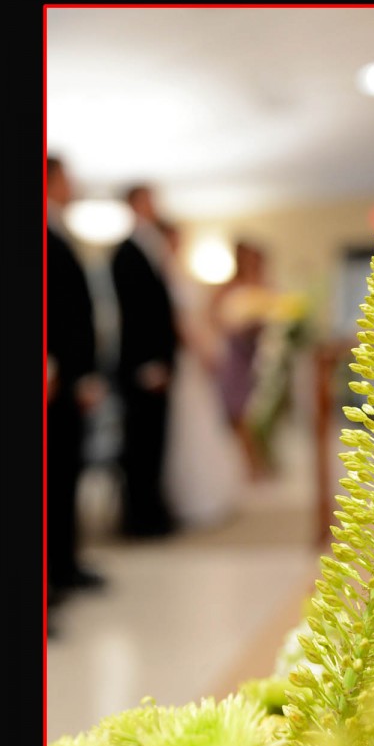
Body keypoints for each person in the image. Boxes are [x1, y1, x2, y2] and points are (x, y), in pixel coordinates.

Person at [46, 156, 106, 610]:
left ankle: (63, 565)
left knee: (66, 475)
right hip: (53, 377)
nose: (73, 186)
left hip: (67, 378)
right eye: (66, 178)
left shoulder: (59, 230)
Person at [157, 221, 243, 529]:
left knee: (204, 422)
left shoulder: (180, 274)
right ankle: (189, 498)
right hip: (184, 359)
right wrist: (203, 351)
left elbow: (199, 317)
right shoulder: (163, 275)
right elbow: (180, 323)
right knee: (187, 426)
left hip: (194, 360)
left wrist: (211, 346)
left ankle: (209, 495)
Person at [110, 186, 178, 537]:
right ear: (135, 204)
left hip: (157, 364)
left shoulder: (151, 247)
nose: (155, 206)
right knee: (141, 445)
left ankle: (152, 512)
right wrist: (149, 363)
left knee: (154, 445)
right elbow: (136, 315)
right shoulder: (126, 252)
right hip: (143, 367)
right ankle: (140, 519)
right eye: (149, 200)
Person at [208, 242, 274, 480]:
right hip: (234, 354)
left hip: (259, 354)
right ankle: (250, 465)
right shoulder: (227, 287)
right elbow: (213, 315)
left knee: (256, 412)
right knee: (237, 412)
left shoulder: (264, 286)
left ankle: (258, 463)